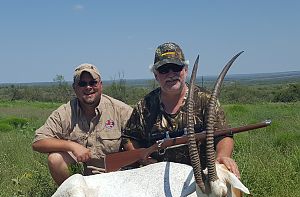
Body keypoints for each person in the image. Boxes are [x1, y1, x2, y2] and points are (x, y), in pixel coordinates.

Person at [123, 42, 240, 178]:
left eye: (176, 67)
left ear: (185, 70)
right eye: (164, 70)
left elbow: (223, 134)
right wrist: (142, 157)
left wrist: (222, 157)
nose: (171, 74)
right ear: (156, 75)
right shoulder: (144, 106)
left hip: (199, 179)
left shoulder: (206, 100)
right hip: (157, 179)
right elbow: (129, 138)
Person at [33, 63, 133, 185]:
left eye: (93, 82)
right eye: (82, 84)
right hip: (81, 181)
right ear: (75, 88)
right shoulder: (65, 112)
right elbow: (38, 142)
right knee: (55, 159)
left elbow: (137, 145)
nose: (88, 87)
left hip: (115, 177)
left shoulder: (121, 110)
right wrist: (72, 146)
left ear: (101, 85)